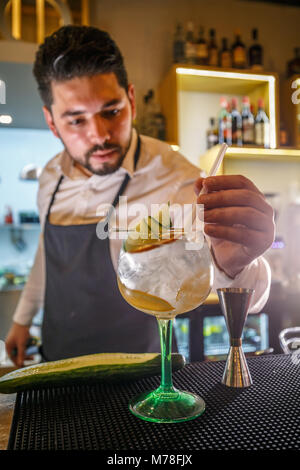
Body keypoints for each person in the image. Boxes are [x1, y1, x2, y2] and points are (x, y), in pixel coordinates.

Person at [5, 26, 274, 366]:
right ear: (52, 122)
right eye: (76, 121)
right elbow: (46, 254)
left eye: (111, 111)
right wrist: (21, 320)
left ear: (131, 99)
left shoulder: (177, 177)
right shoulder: (49, 177)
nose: (99, 135)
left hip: (145, 376)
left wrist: (236, 262)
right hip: (59, 362)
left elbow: (245, 289)